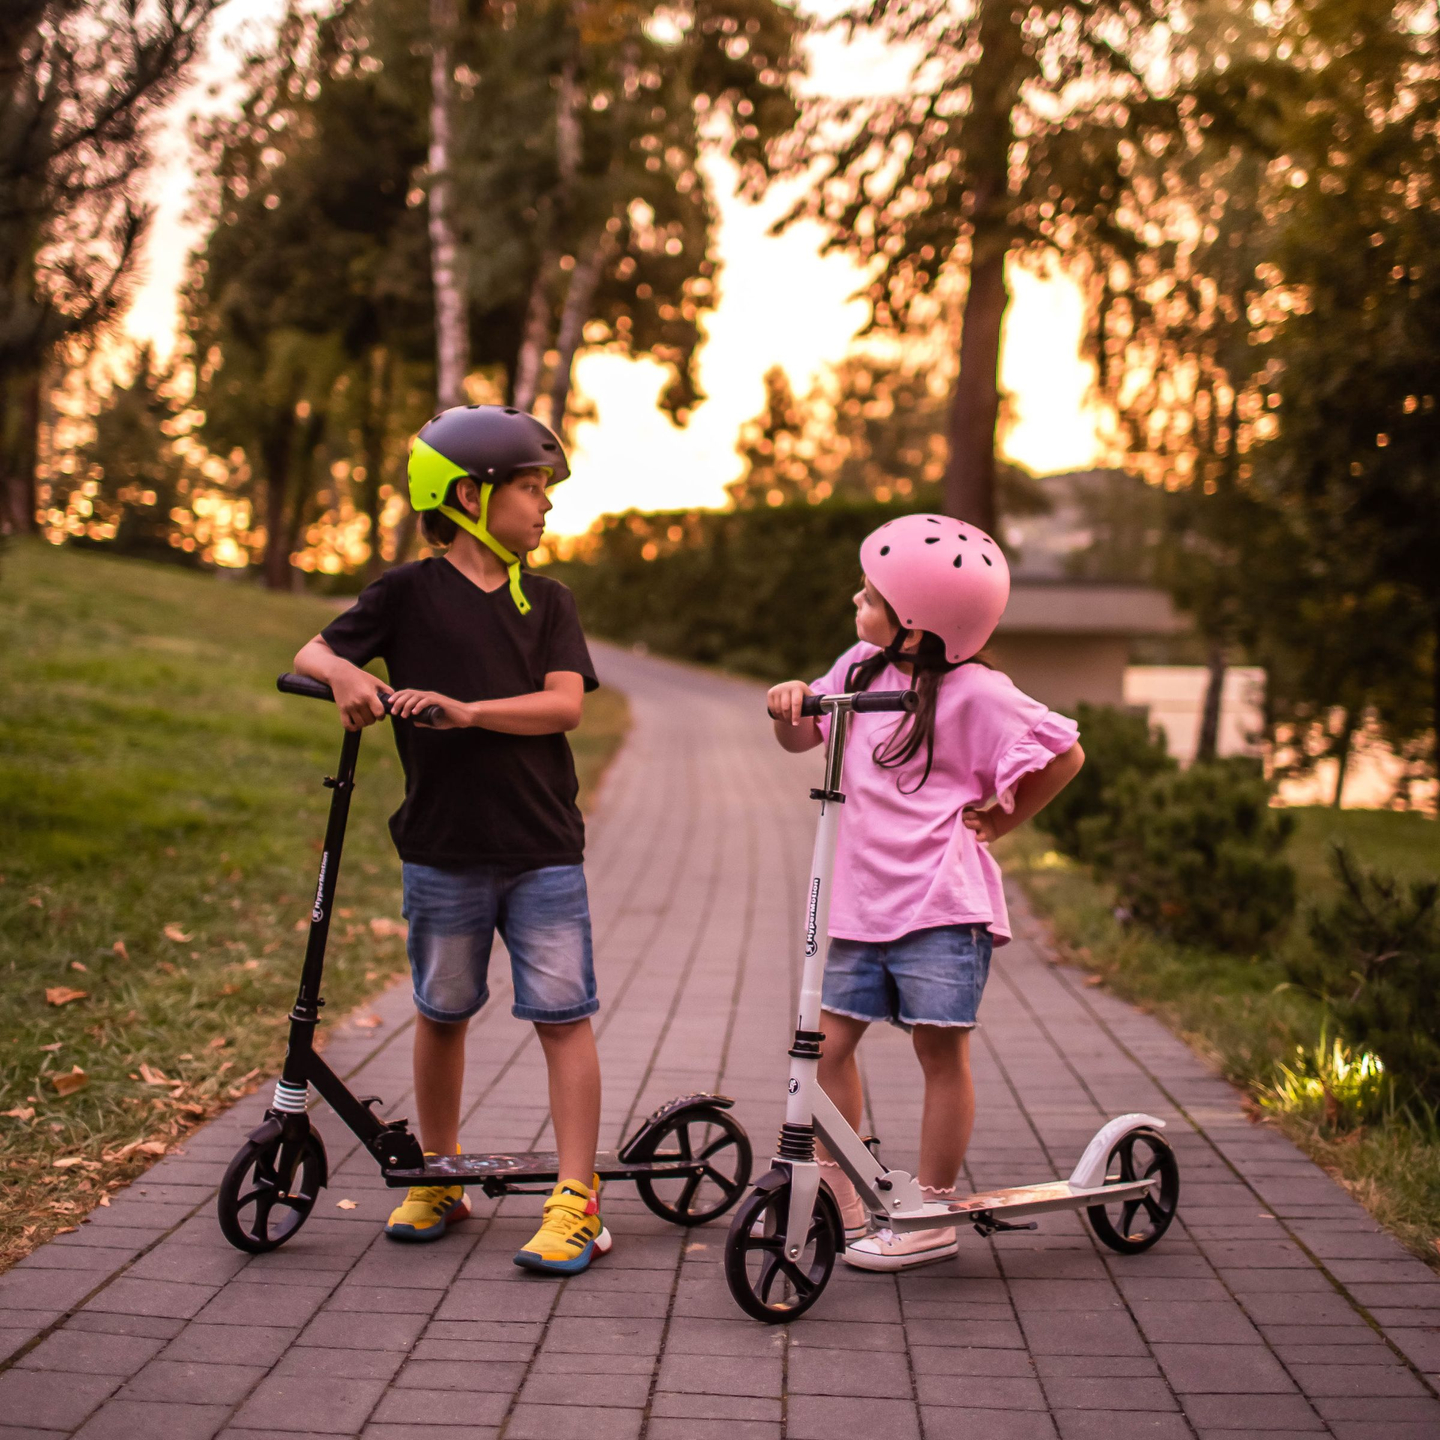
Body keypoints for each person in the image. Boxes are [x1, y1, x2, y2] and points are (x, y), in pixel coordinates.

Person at [292, 404, 609, 1275]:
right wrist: (348, 673)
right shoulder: (405, 593)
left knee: (563, 1018)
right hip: (440, 848)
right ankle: (439, 1175)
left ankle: (576, 1198)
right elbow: (313, 652)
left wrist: (467, 712)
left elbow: (564, 705)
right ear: (470, 496)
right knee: (441, 1013)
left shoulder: (549, 601)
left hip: (542, 848)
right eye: (531, 487)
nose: (546, 504)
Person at [765, 513, 1085, 1271]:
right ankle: (845, 1193)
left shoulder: (979, 692)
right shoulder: (858, 669)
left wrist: (1000, 819)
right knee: (826, 1048)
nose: (857, 600)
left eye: (871, 595)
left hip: (942, 906)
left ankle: (931, 1212)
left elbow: (1064, 753)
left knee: (939, 1051)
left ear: (917, 624)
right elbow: (803, 734)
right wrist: (791, 703)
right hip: (861, 904)